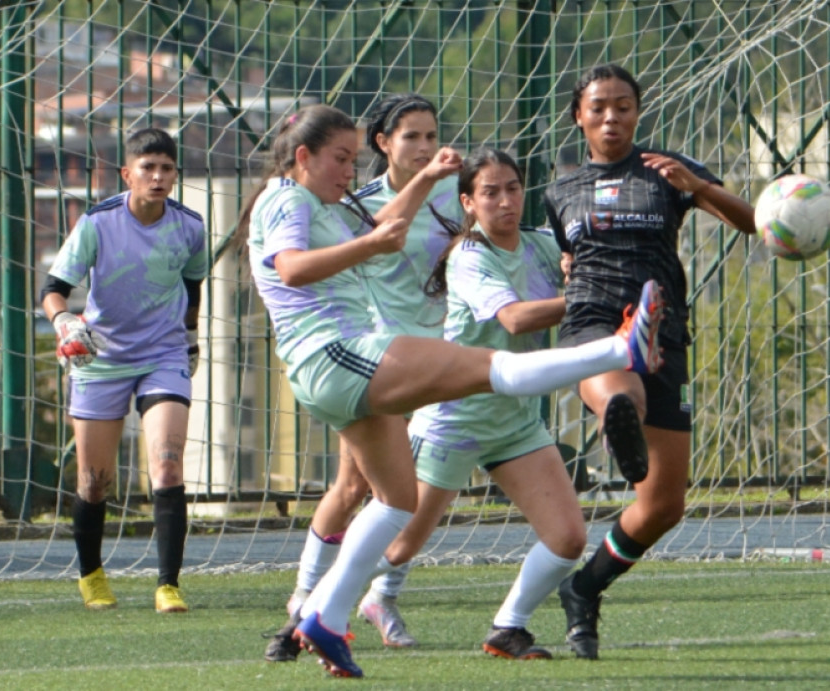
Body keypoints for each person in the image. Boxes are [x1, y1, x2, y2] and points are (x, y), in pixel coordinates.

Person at [238, 103, 662, 678]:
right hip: (336, 353)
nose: (349, 170)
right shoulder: (288, 199)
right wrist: (372, 245)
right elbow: (291, 267)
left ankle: (324, 619)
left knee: (395, 503)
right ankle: (620, 350)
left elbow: (378, 226)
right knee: (492, 369)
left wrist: (422, 182)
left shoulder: (320, 205)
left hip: (342, 367)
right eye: (341, 158)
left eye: (354, 159)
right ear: (302, 156)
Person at [543, 63, 756, 660]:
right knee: (621, 392)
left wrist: (698, 187)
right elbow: (565, 259)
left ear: (637, 113)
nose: (611, 117)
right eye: (598, 107)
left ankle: (583, 589)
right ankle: (620, 418)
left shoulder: (667, 171)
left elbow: (753, 224)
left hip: (665, 335)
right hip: (593, 323)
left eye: (623, 106)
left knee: (663, 506)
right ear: (579, 116)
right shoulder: (560, 192)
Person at [359, 146, 584, 661]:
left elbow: (585, 259)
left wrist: (587, 269)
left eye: (513, 188)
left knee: (568, 538)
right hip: (453, 420)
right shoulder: (468, 255)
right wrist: (586, 296)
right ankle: (317, 608)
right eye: (490, 192)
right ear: (468, 202)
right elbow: (515, 319)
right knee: (397, 547)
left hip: (515, 423)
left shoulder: (541, 244)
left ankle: (508, 627)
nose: (505, 201)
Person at [263, 93, 463, 661]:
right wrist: (373, 241)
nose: (424, 146)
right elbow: (317, 258)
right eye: (411, 137)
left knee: (410, 491)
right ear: (384, 143)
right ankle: (309, 598)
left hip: (421, 347)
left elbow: (384, 230)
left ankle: (360, 601)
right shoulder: (314, 199)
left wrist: (446, 207)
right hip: (367, 357)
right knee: (361, 489)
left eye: (431, 136)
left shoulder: (432, 194)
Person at [41, 127, 207, 613]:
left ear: (175, 175)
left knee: (168, 464)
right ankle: (92, 576)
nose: (158, 177)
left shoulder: (191, 226)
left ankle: (168, 585)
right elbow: (53, 289)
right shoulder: (97, 223)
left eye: (167, 169)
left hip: (164, 355)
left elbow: (192, 288)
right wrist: (66, 322)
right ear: (127, 174)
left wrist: (190, 340)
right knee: (94, 480)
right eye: (147, 168)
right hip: (101, 358)